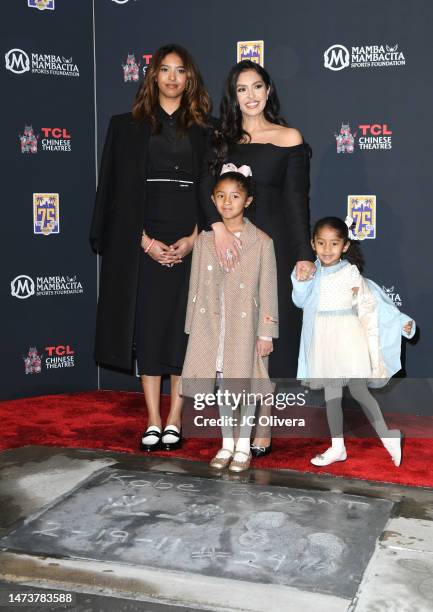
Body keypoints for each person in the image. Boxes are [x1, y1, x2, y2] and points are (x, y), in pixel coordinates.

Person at [89, 44, 214, 452]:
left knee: (181, 332)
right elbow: (113, 192)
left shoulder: (206, 130)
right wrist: (141, 241)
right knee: (148, 329)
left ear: (189, 79)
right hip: (142, 237)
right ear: (153, 76)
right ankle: (153, 419)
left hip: (189, 236)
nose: (173, 77)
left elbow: (213, 192)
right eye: (165, 70)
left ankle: (177, 418)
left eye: (180, 71)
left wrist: (196, 238)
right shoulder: (124, 126)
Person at [199, 60, 315, 457]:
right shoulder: (220, 140)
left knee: (265, 338)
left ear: (268, 91)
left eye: (257, 87)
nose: (250, 96)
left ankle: (263, 422)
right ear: (233, 96)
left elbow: (297, 201)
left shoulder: (288, 138)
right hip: (225, 249)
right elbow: (203, 191)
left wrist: (303, 254)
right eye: (242, 89)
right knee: (230, 334)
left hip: (271, 247)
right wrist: (216, 228)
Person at [292, 216, 416, 467]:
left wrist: (401, 321)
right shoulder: (310, 270)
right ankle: (337, 446)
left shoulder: (351, 273)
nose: (328, 249)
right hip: (323, 342)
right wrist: (301, 280)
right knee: (332, 395)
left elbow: (374, 302)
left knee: (359, 390)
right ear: (313, 244)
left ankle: (388, 435)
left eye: (334, 243)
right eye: (322, 243)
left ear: (345, 246)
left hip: (348, 339)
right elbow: (300, 301)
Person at [181, 166, 278, 472]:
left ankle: (243, 445)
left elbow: (268, 290)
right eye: (220, 196)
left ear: (247, 200)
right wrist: (191, 326)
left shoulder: (262, 241)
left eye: (235, 196)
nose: (227, 202)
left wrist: (266, 333)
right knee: (222, 386)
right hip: (212, 326)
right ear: (212, 199)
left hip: (244, 327)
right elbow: (195, 285)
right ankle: (226, 443)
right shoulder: (206, 239)